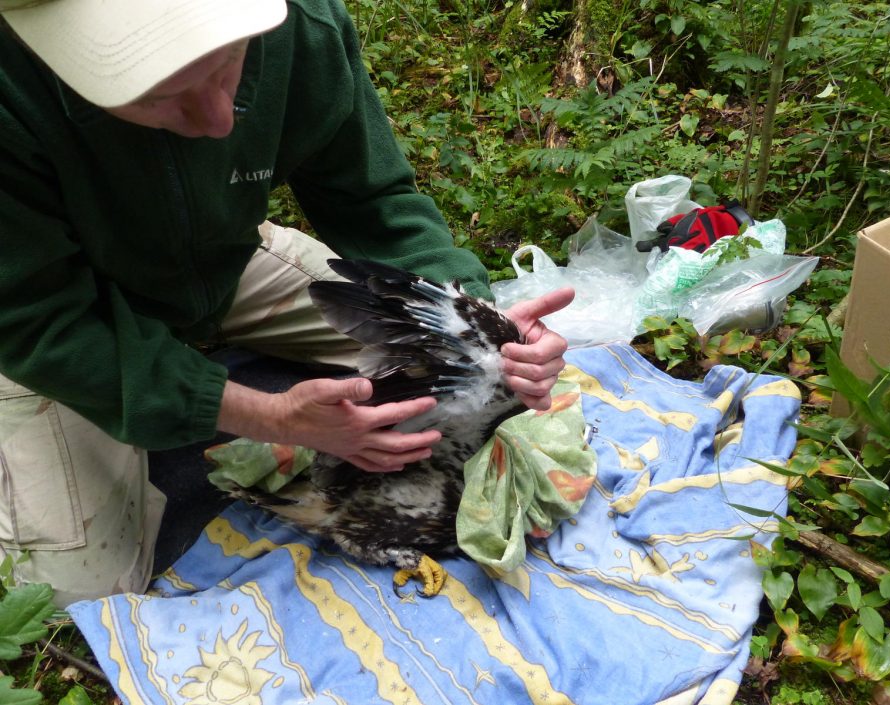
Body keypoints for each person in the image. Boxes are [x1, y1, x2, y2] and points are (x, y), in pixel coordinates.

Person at [0, 0, 573, 606]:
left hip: (225, 261)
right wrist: (265, 416)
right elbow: (34, 319)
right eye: (157, 95)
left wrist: (489, 335)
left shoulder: (297, 22)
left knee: (478, 371)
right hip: (55, 307)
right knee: (72, 599)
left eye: (229, 65)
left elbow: (374, 204)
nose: (220, 121)